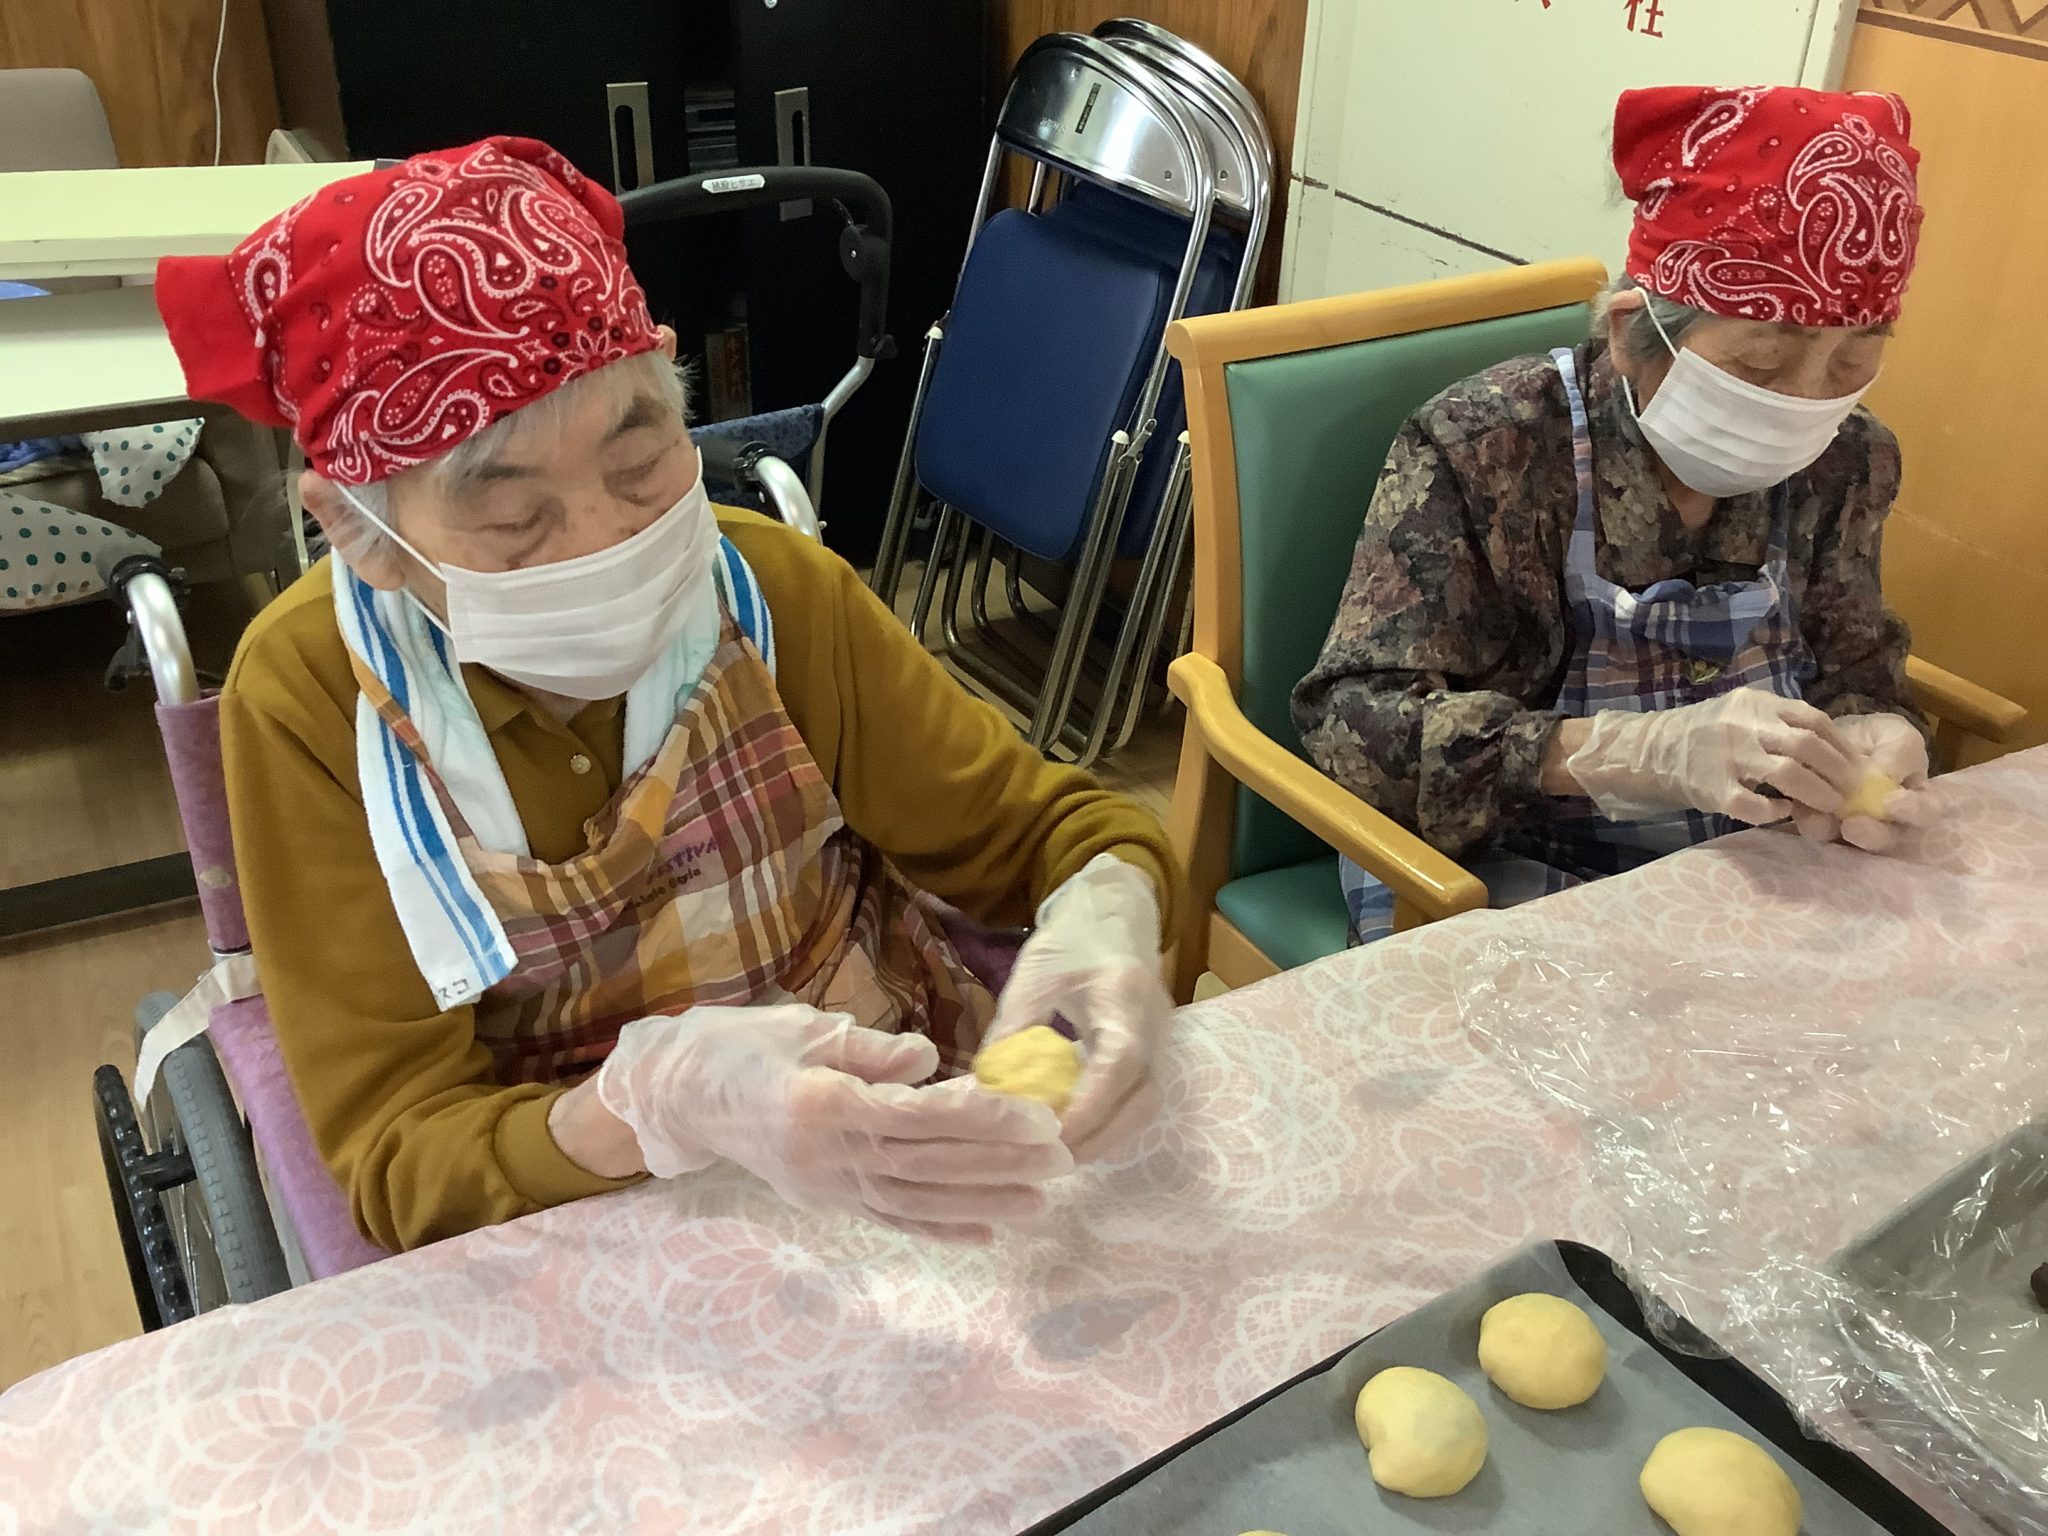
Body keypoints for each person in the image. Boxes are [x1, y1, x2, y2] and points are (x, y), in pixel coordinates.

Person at [153, 137, 1181, 1251]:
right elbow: (405, 1156)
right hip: (578, 1210)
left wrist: (1109, 910)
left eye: (638, 469)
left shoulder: (775, 592)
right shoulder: (310, 699)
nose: (604, 540)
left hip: (882, 1131)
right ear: (360, 530)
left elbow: (1053, 832)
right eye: (513, 522)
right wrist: (646, 1108)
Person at [1293, 86, 1936, 945]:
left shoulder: (1850, 458)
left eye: (1852, 364)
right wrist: (1630, 753)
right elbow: (1353, 726)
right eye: (1760, 365)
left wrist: (1873, 733)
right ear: (1636, 334)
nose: (1805, 403)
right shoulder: (1491, 445)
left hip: (1750, 871)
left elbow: (1853, 665)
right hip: (1501, 874)